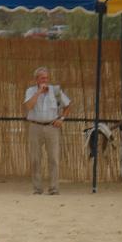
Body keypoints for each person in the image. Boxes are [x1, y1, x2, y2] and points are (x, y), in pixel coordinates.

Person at [23, 66, 71, 195]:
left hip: (52, 127)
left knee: (53, 159)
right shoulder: (30, 91)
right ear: (36, 79)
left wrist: (61, 118)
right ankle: (37, 188)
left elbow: (67, 105)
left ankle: (54, 188)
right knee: (35, 159)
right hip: (35, 126)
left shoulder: (55, 91)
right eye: (42, 78)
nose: (45, 80)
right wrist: (38, 92)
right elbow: (28, 106)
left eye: (46, 77)